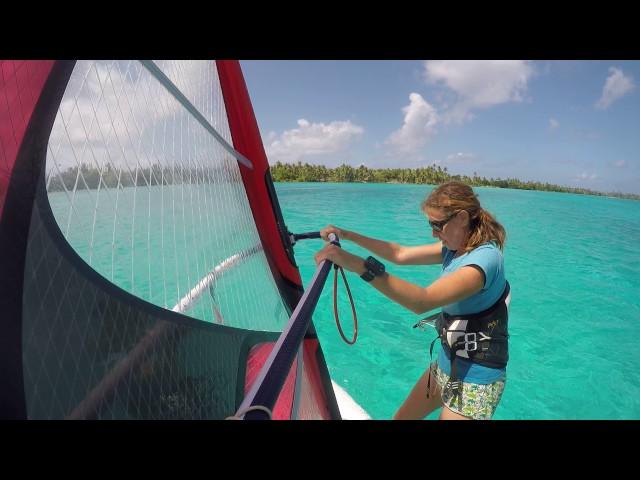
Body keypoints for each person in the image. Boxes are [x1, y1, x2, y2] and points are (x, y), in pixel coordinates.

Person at [314, 181, 509, 420]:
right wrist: (347, 235)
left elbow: (422, 301)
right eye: (431, 224)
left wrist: (356, 264)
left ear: (461, 218)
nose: (433, 233)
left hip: (475, 380)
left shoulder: (485, 260)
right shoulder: (454, 248)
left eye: (437, 225)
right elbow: (399, 254)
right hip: (446, 364)